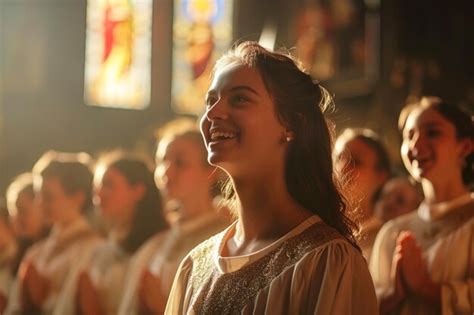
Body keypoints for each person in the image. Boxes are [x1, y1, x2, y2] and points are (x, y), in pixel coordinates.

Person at [165, 41, 377, 314]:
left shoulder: (325, 262)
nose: (213, 113)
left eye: (239, 98)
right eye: (210, 100)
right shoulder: (195, 265)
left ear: (291, 123)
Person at [369, 97, 474, 314]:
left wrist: (424, 286)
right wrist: (393, 295)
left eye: (432, 133)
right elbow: (364, 303)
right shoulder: (393, 232)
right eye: (409, 136)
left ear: (464, 146)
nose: (415, 145)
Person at [117, 118, 230, 315]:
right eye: (162, 161)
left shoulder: (224, 242)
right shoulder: (155, 245)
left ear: (211, 170)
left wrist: (162, 307)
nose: (166, 171)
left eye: (180, 163)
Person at [6, 151, 103, 315]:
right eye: (39, 196)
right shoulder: (37, 251)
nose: (40, 203)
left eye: (48, 197)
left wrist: (42, 298)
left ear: (78, 197)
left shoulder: (94, 250)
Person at [76, 151, 168, 315]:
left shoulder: (160, 248)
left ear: (138, 191)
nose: (99, 194)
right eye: (97, 187)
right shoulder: (99, 253)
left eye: (109, 185)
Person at [334, 128, 391, 260]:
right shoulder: (320, 229)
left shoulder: (387, 238)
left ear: (381, 176)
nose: (343, 167)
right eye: (339, 158)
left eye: (355, 161)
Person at [6, 173, 49, 275]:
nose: (17, 220)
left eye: (23, 211)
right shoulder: (18, 256)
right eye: (14, 213)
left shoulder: (57, 250)